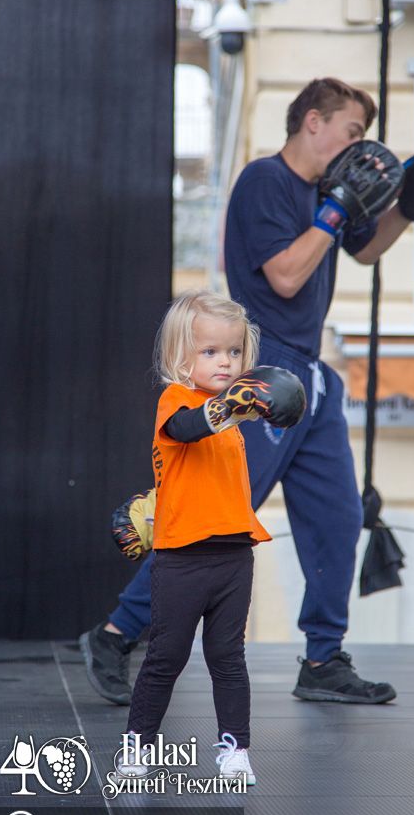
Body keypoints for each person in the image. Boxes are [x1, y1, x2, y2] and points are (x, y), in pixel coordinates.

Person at [82, 76, 414, 707]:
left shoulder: (324, 195)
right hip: (263, 368)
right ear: (314, 121)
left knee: (337, 517)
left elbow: (367, 250)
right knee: (214, 512)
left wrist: (411, 206)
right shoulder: (265, 182)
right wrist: (336, 210)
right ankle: (116, 634)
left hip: (311, 372)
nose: (357, 146)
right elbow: (284, 276)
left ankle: (323, 659)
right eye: (352, 130)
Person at [115, 289, 305, 783]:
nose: (226, 361)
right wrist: (231, 406)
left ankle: (235, 751)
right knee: (166, 657)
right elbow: (185, 430)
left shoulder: (234, 420)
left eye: (235, 351)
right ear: (181, 357)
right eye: (210, 351)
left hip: (234, 555)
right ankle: (137, 746)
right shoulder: (177, 401)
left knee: (228, 658)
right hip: (182, 559)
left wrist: (259, 407)